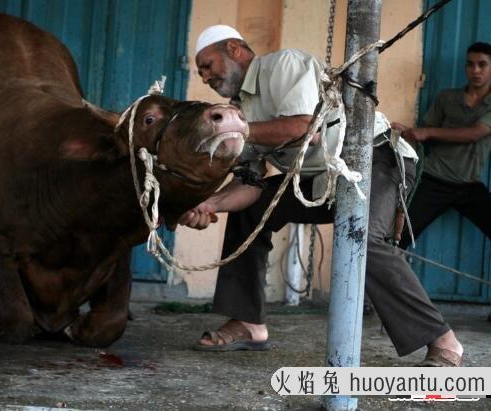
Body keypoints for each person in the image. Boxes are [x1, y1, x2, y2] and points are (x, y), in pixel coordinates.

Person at [180, 25, 463, 366]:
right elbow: (251, 186)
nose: (205, 76)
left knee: (362, 240)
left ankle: (444, 341)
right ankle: (248, 323)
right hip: (318, 181)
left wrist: (240, 131)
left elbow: (305, 129)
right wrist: (208, 204)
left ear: (234, 49)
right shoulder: (240, 109)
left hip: (373, 158)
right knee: (251, 212)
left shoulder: (280, 66)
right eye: (200, 72)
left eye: (208, 65)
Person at [394, 42, 491, 248]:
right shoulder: (447, 98)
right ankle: (376, 278)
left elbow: (475, 134)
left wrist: (426, 132)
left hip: (468, 185)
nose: (475, 70)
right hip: (433, 179)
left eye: (482, 64)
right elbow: (424, 135)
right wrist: (408, 132)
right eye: (470, 64)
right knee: (397, 237)